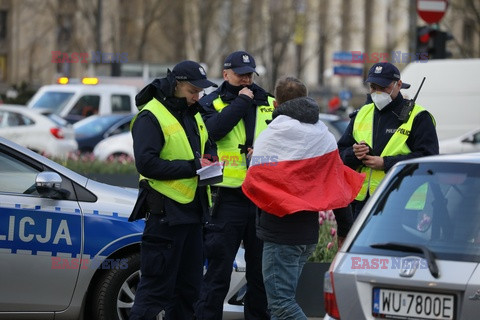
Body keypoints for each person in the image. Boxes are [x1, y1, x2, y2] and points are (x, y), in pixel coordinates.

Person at [241, 76, 364, 320]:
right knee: (282, 304)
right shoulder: (323, 135)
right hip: (306, 235)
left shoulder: (273, 134)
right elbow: (336, 187)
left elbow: (258, 181)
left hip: (280, 233)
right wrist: (344, 231)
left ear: (276, 104)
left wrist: (253, 161)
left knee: (281, 305)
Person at [128, 60, 218, 320]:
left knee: (188, 293)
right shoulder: (151, 115)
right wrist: (192, 166)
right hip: (166, 217)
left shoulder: (192, 111)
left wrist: (210, 160)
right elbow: (146, 163)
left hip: (193, 216)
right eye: (193, 91)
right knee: (154, 293)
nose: (197, 97)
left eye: (200, 92)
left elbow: (206, 144)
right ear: (176, 85)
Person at [194, 50, 274, 320]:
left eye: (250, 74)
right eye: (240, 74)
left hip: (261, 198)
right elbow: (212, 132)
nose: (246, 79)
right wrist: (240, 104)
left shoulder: (270, 103)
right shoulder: (210, 102)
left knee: (260, 274)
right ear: (226, 74)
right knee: (218, 271)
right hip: (226, 198)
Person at [337, 62, 439, 219]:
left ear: (398, 84)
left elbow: (428, 158)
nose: (376, 92)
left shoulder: (418, 116)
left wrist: (385, 163)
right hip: (362, 202)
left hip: (402, 200)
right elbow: (340, 154)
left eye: (382, 87)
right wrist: (354, 154)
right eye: (373, 87)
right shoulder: (362, 113)